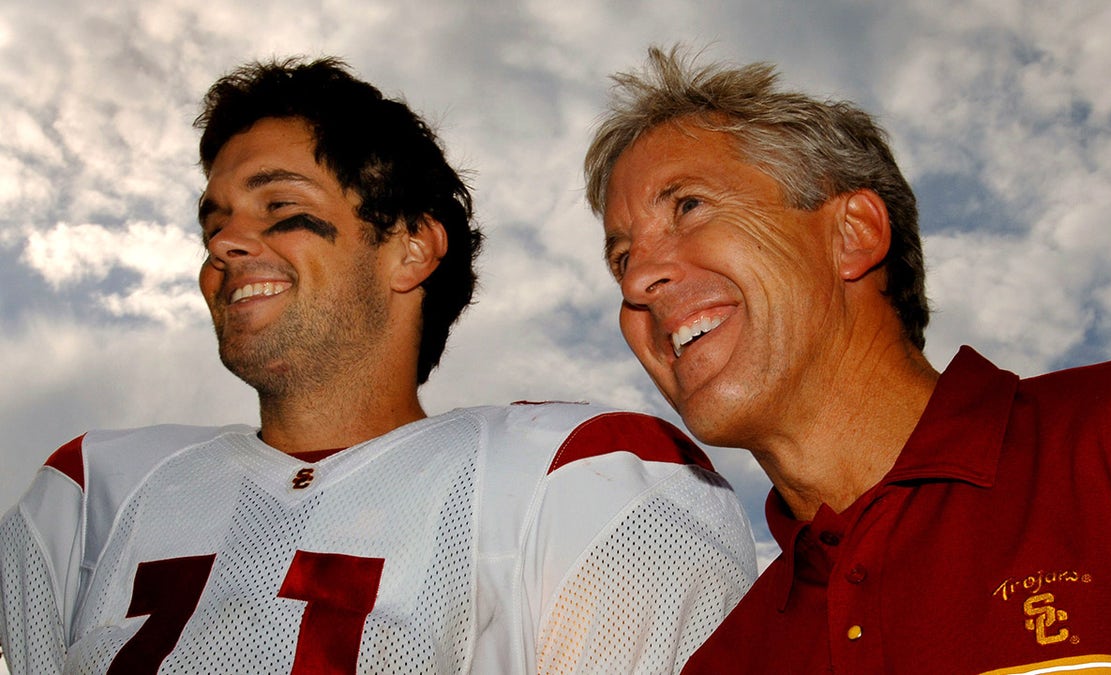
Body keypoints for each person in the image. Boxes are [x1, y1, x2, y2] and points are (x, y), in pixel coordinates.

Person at [0, 57, 758, 674]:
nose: (225, 244)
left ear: (410, 248)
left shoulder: (577, 477)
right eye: (216, 222)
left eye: (279, 210)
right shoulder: (94, 492)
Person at [584, 45, 1111, 674]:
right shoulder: (726, 664)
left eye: (688, 206)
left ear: (854, 233)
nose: (638, 283)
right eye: (622, 259)